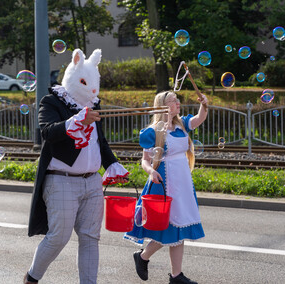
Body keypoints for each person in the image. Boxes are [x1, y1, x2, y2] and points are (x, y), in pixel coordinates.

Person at [24, 48, 129, 284]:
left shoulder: (93, 105)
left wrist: (112, 164)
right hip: (61, 179)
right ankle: (32, 278)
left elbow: (100, 142)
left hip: (92, 181)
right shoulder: (51, 101)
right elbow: (48, 132)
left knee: (90, 237)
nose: (92, 89)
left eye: (94, 83)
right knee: (58, 237)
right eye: (85, 82)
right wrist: (76, 119)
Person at [124, 91, 208, 284]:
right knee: (167, 227)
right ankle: (144, 257)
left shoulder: (182, 124)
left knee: (180, 227)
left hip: (183, 183)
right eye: (173, 100)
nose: (178, 103)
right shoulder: (153, 131)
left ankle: (175, 275)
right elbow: (144, 161)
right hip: (162, 184)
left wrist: (204, 104)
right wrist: (151, 172)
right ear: (162, 105)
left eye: (178, 100)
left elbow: (199, 118)